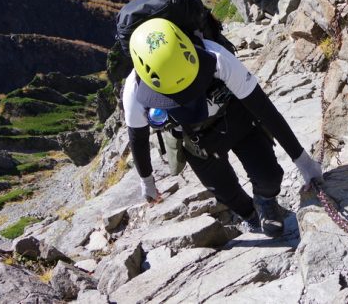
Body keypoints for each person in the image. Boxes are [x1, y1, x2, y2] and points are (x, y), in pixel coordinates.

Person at [121, 17, 324, 236]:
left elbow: (264, 109)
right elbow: (138, 139)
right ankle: (250, 215)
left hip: (234, 118)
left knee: (270, 176)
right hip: (195, 140)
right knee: (226, 194)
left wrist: (304, 162)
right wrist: (147, 182)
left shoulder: (216, 57)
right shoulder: (134, 91)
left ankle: (265, 200)